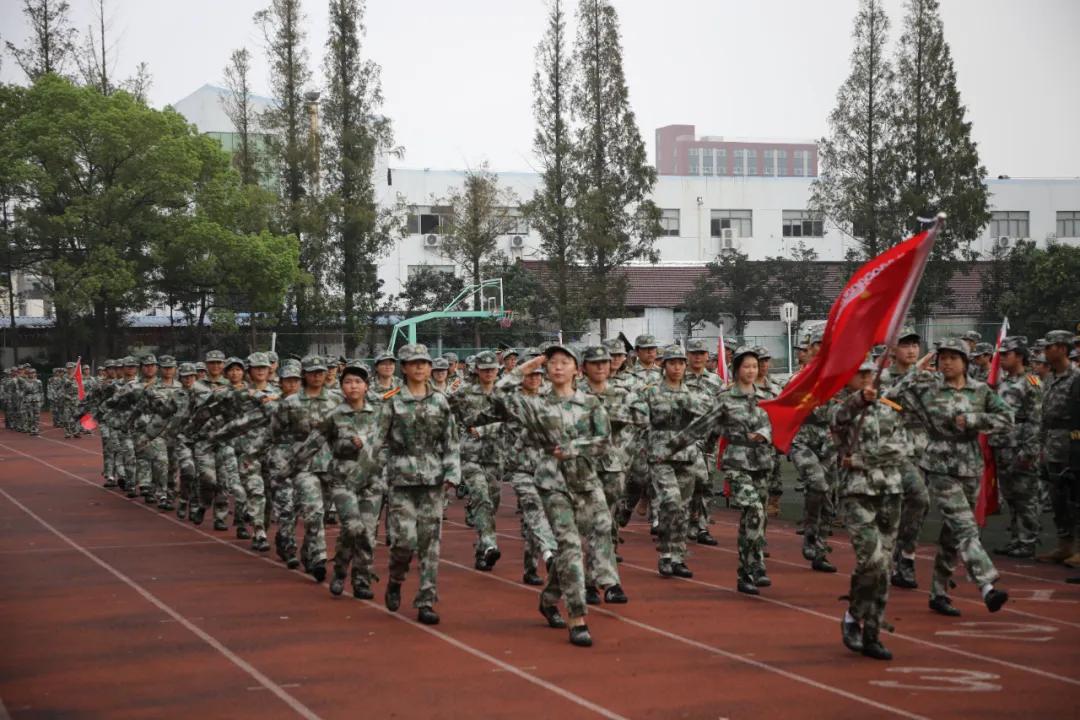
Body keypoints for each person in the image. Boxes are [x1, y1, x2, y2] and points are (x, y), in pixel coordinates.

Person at [499, 345, 618, 647]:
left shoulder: (590, 403)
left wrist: (575, 448)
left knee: (602, 527)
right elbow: (500, 393)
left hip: (586, 481)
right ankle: (577, 617)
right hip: (552, 483)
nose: (558, 367)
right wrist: (525, 368)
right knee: (569, 546)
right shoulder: (535, 404)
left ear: (577, 369)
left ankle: (552, 597)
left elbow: (605, 442)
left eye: (565, 362)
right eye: (552, 362)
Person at [889, 337, 1011, 615]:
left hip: (970, 465)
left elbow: (1007, 418)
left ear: (965, 362)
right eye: (942, 357)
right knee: (965, 527)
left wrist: (975, 420)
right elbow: (891, 397)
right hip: (939, 465)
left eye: (953, 357)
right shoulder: (928, 388)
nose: (946, 362)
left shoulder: (980, 391)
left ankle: (940, 591)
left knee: (952, 533)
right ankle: (987, 585)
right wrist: (915, 372)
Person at [378, 343, 460, 625]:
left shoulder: (440, 401)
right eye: (414, 363)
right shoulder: (391, 401)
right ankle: (396, 579)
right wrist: (374, 473)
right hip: (401, 480)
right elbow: (378, 441)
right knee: (404, 542)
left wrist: (452, 472)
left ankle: (426, 600)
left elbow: (451, 441)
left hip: (433, 480)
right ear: (404, 368)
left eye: (424, 363)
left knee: (430, 543)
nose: (420, 367)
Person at [832, 360, 905, 661]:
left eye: (870, 374)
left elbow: (902, 447)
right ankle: (853, 615)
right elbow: (838, 420)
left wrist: (863, 459)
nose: (866, 379)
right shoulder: (843, 408)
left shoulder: (891, 408)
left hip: (890, 492)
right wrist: (860, 400)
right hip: (857, 493)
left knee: (884, 568)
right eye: (859, 374)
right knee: (871, 561)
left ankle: (872, 633)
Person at [324, 361, 386, 599]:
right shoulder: (333, 415)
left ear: (366, 386)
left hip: (372, 480)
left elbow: (389, 442)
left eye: (358, 382)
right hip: (344, 480)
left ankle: (362, 579)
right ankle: (340, 569)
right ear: (341, 386)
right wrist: (349, 443)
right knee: (352, 527)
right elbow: (322, 443)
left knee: (368, 533)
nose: (353, 386)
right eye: (348, 382)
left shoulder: (380, 413)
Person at [879, 327, 932, 590]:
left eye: (914, 345)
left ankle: (906, 558)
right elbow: (888, 402)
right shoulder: (882, 378)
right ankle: (890, 560)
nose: (911, 350)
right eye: (905, 345)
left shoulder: (927, 378)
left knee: (918, 505)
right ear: (892, 349)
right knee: (895, 507)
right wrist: (914, 375)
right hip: (893, 451)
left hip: (922, 450)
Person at [449, 349, 505, 571]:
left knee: (493, 502)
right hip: (470, 455)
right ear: (477, 370)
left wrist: (485, 430)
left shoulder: (504, 394)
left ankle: (482, 549)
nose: (489, 372)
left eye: (493, 369)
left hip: (495, 455)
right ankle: (490, 544)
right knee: (481, 497)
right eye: (485, 369)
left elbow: (512, 421)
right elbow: (445, 413)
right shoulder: (464, 393)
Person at [988, 337, 1043, 558]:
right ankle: (1016, 539)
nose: (1001, 358)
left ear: (1019, 356)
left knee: (1025, 496)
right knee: (1011, 495)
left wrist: (1029, 451)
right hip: (1002, 446)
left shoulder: (1031, 382)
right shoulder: (1003, 382)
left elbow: (1036, 420)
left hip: (1020, 446)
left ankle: (1028, 540)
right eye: (1000, 354)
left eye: (1006, 354)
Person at [1036, 330, 1080, 566]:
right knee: (1057, 498)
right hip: (1052, 443)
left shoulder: (1076, 378)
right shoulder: (1050, 378)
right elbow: (1044, 414)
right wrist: (1041, 444)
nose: (1045, 351)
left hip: (1071, 444)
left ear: (1062, 349)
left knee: (1076, 497)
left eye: (1049, 346)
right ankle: (1065, 545)